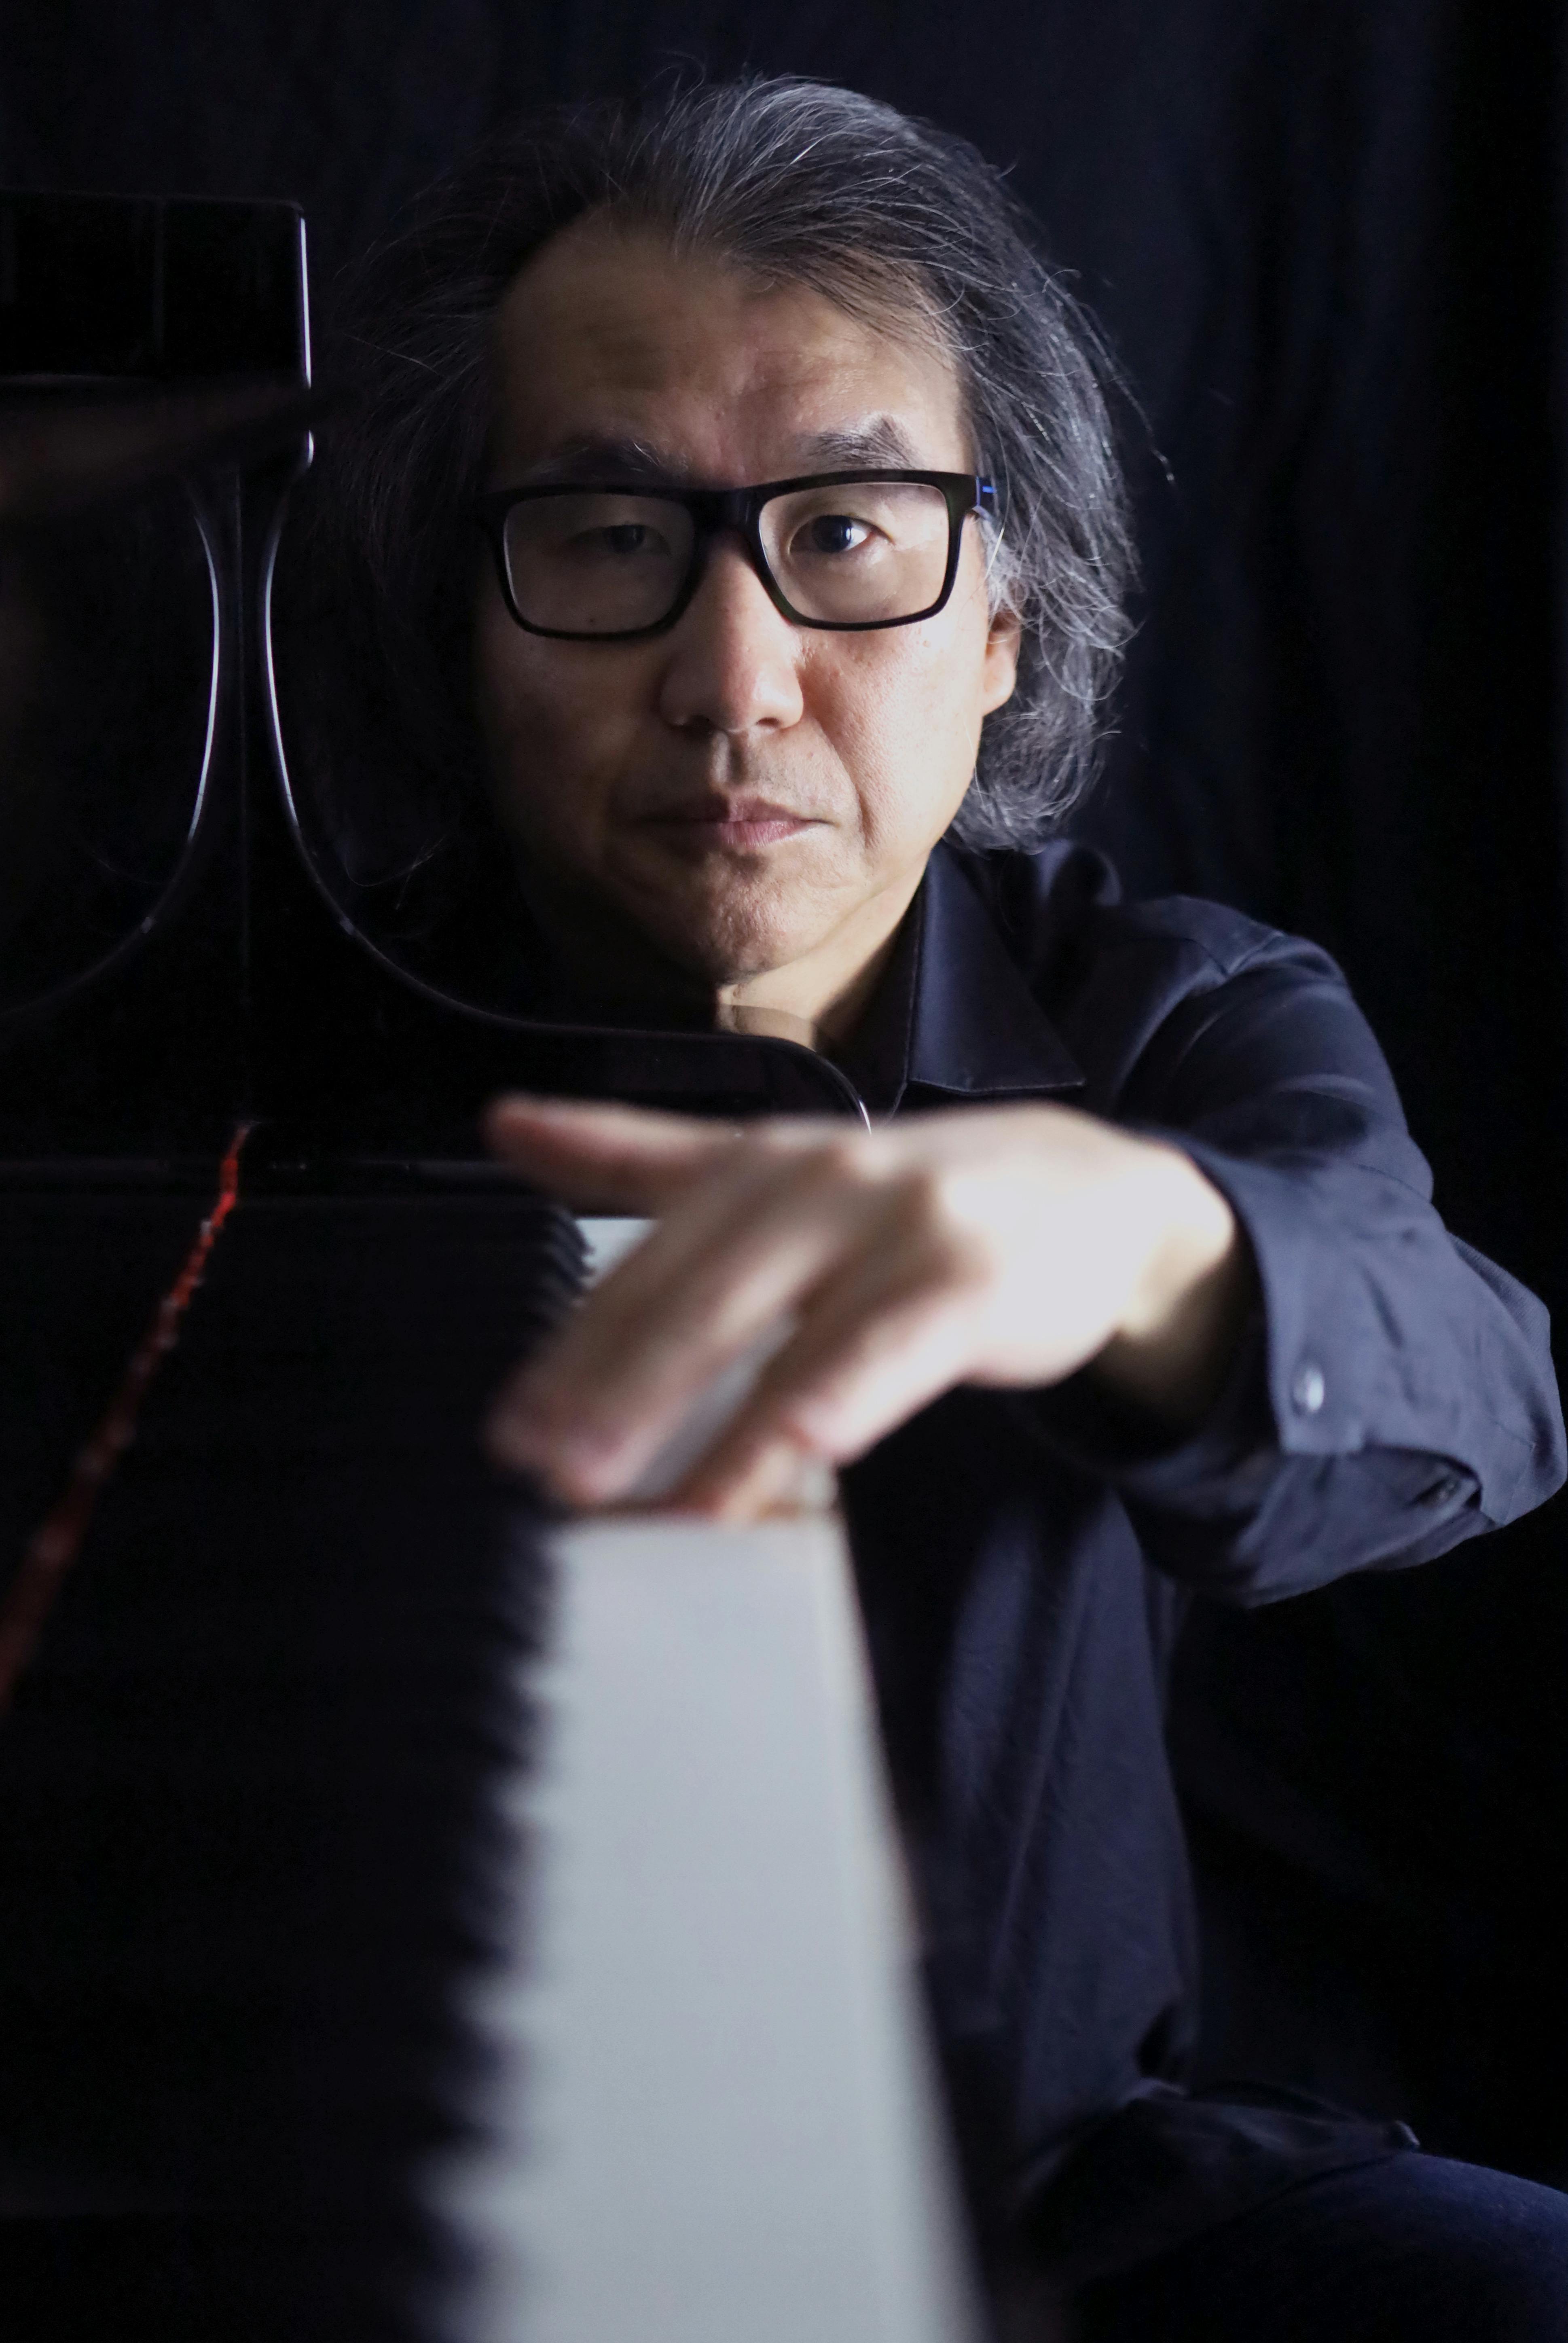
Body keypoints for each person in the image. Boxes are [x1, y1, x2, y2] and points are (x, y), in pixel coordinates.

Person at [308, 75, 1568, 2338]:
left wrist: (1136, 1240)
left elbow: (1476, 1388)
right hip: (375, 2201)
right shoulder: (251, 1057)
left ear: (1002, 620)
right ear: (457, 626)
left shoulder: (1173, 1014)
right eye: (604, 537)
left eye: (850, 530)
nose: (732, 680)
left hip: (1066, 2210)